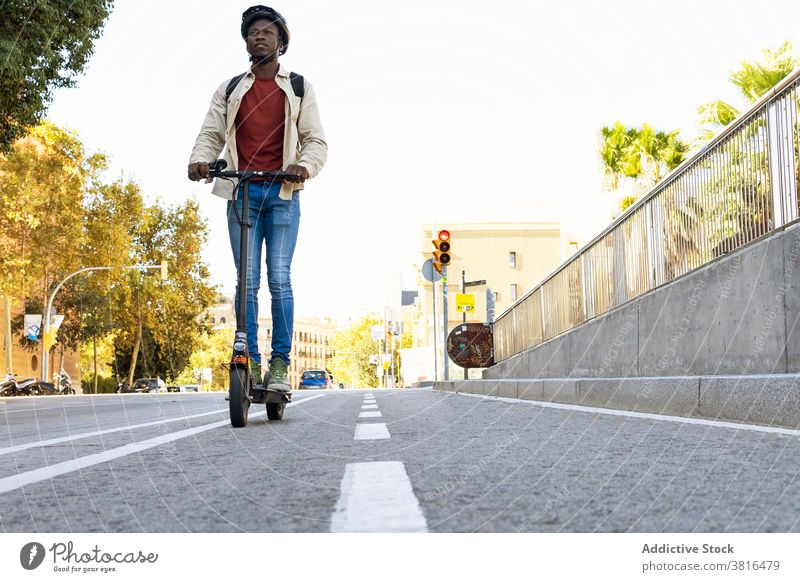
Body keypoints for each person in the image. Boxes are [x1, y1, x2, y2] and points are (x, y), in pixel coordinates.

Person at [188, 5, 327, 391]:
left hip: (283, 191)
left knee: (279, 278)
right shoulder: (230, 89)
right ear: (246, 42)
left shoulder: (298, 86)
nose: (259, 36)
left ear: (281, 43)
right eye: (252, 33)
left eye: (267, 32)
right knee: (245, 280)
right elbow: (210, 134)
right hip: (242, 190)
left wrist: (305, 167)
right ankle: (248, 354)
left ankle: (280, 363)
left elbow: (315, 140)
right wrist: (199, 161)